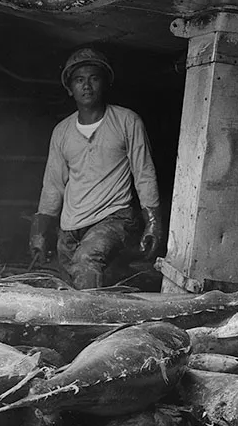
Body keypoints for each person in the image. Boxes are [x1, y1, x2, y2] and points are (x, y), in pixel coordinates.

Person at [29, 47, 163, 288]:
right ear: (70, 88)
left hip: (114, 218)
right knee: (70, 284)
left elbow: (144, 174)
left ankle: (90, 315)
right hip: (70, 227)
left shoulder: (127, 121)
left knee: (86, 261)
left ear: (106, 83)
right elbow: (53, 185)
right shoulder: (62, 131)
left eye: (94, 78)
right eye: (79, 80)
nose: (87, 86)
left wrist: (153, 222)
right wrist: (39, 231)